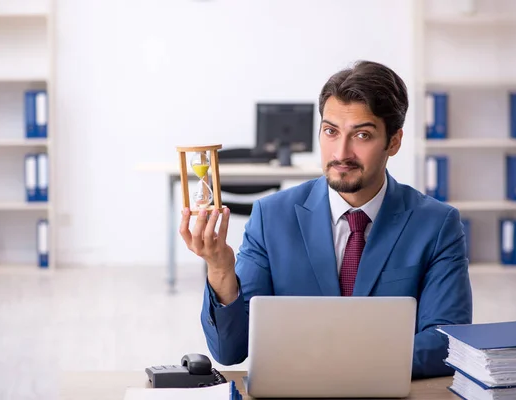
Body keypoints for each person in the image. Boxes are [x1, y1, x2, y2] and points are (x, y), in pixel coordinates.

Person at [179, 60, 473, 379]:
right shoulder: (271, 217)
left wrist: (331, 363)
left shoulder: (437, 224)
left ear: (394, 141)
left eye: (362, 135)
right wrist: (221, 270)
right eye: (331, 132)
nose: (341, 153)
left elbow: (446, 343)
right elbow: (230, 351)